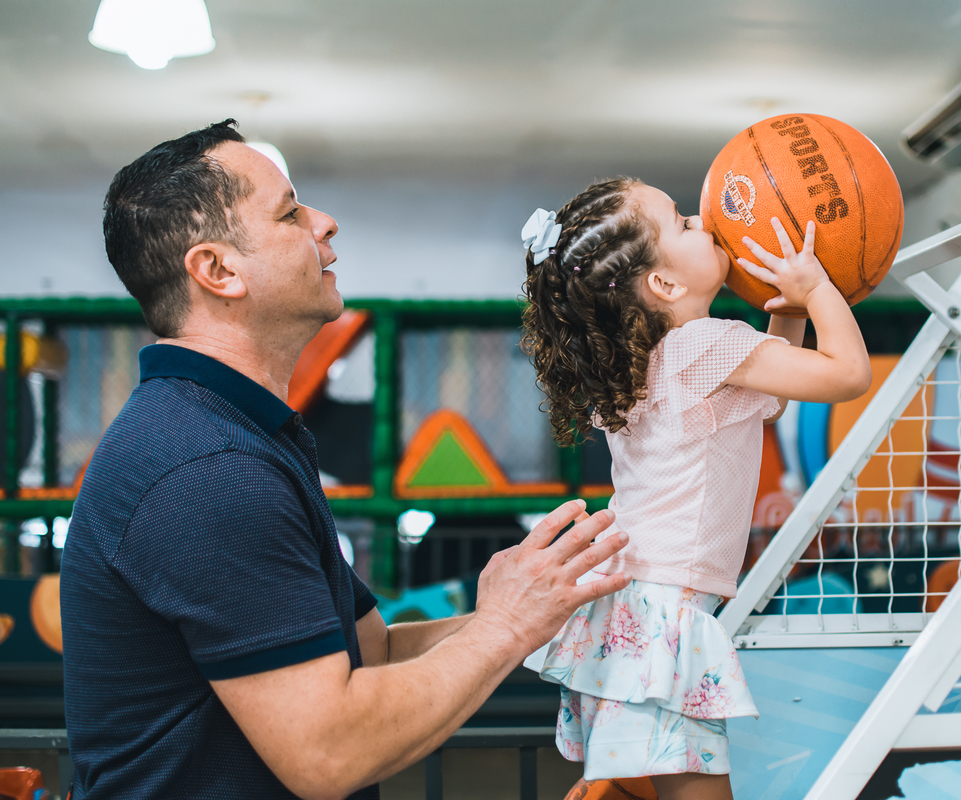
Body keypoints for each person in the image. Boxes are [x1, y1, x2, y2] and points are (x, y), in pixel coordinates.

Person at [59, 119, 631, 800]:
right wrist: (506, 627)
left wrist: (543, 606)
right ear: (218, 270)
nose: (325, 223)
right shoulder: (206, 468)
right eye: (290, 212)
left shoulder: (246, 434)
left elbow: (373, 652)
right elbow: (328, 752)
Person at [519, 178, 872, 800]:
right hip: (664, 609)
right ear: (665, 285)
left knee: (635, 784)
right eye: (682, 222)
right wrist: (815, 287)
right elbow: (847, 375)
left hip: (631, 602)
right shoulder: (703, 346)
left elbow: (769, 402)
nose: (702, 220)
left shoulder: (651, 360)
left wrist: (782, 309)